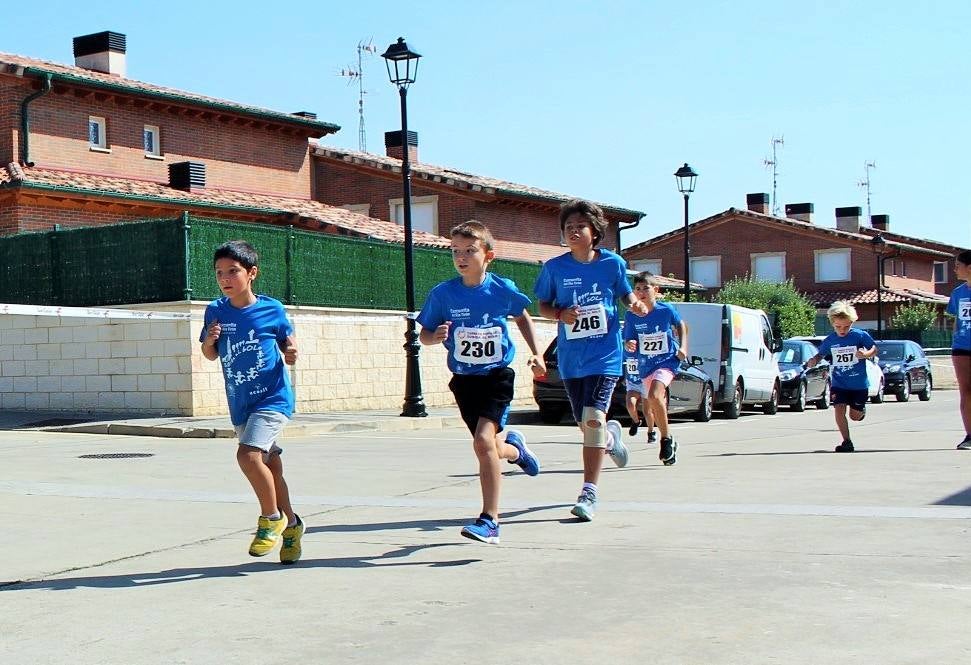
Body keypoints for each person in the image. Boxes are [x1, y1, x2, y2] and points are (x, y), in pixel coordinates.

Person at [417, 222, 546, 544]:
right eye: (455, 252)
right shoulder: (443, 294)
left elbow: (522, 317)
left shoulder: (501, 288)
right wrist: (436, 336)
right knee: (489, 445)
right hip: (464, 380)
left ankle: (490, 520)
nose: (461, 257)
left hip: (496, 377)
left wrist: (537, 354)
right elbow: (424, 335)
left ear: (488, 255)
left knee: (482, 442)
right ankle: (515, 450)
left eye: (469, 251)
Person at [535, 199, 647, 521]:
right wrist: (560, 313)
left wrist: (634, 305)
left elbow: (624, 293)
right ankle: (611, 439)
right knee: (586, 425)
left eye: (579, 227)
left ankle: (589, 492)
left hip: (605, 355)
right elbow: (542, 305)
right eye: (568, 227)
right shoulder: (555, 268)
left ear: (594, 232)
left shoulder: (612, 264)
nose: (572, 231)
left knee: (594, 417)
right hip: (572, 359)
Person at [200, 240, 303, 564]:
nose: (225, 278)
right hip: (241, 401)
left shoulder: (272, 308)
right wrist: (210, 340)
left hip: (273, 398)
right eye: (220, 273)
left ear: (251, 273)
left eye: (233, 271)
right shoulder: (216, 310)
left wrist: (292, 352)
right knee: (270, 466)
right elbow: (208, 353)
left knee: (248, 455)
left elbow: (288, 340)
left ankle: (270, 519)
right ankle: (293, 525)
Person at [623, 273, 688, 465]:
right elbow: (629, 338)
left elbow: (681, 325)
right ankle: (668, 438)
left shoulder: (666, 310)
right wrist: (629, 344)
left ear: (656, 290)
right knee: (652, 401)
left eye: (646, 288)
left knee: (654, 394)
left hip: (668, 360)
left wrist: (684, 346)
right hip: (646, 364)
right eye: (638, 289)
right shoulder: (631, 315)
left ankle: (665, 441)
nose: (641, 293)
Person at [805, 300, 877, 452]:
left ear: (852, 323)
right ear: (832, 323)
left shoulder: (859, 336)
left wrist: (866, 354)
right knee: (838, 410)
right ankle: (847, 441)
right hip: (839, 384)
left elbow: (874, 348)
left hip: (859, 384)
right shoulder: (830, 340)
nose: (842, 330)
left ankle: (861, 411)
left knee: (854, 417)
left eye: (846, 326)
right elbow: (821, 354)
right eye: (838, 327)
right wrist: (814, 360)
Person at [948, 250, 971, 450]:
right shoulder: (958, 293)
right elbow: (956, 320)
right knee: (966, 391)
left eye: (957, 265)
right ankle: (970, 436)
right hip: (962, 348)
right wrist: (956, 339)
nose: (954, 269)